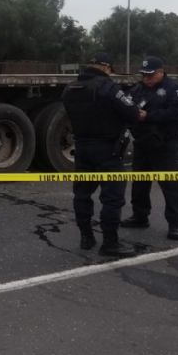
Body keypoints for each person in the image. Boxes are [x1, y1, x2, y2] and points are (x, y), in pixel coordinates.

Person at [62, 52, 140, 257]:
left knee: (82, 195)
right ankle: (110, 243)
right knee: (112, 198)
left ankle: (86, 238)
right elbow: (132, 113)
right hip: (108, 150)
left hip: (82, 149)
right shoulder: (108, 87)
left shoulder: (70, 89)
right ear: (106, 68)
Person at [121, 56, 178, 240]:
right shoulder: (138, 89)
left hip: (165, 144)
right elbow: (128, 107)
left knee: (170, 185)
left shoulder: (174, 88)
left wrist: (148, 116)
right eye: (143, 75)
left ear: (160, 72)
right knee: (140, 182)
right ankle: (140, 216)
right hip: (143, 143)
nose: (146, 79)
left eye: (150, 75)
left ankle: (175, 223)